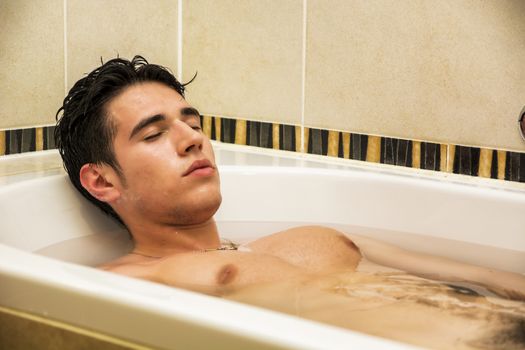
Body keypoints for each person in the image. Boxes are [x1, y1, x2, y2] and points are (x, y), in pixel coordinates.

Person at [55, 55, 525, 301]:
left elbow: (489, 278)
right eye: (155, 133)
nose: (192, 140)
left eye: (193, 124)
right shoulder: (125, 284)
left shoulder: (310, 239)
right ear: (102, 183)